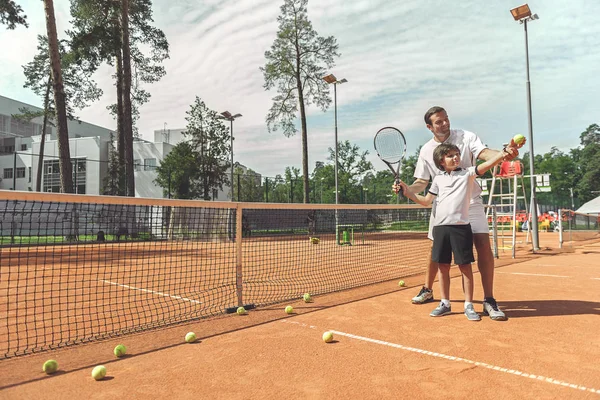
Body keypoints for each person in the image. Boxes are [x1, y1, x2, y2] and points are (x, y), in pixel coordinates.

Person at [394, 106, 524, 321]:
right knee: (436, 251)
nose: (445, 124)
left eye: (446, 119)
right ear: (429, 127)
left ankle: (489, 300)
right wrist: (407, 189)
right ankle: (428, 289)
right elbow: (421, 183)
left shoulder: (465, 137)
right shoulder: (427, 150)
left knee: (482, 245)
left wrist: (504, 153)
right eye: (439, 122)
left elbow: (484, 154)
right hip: (442, 205)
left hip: (471, 201)